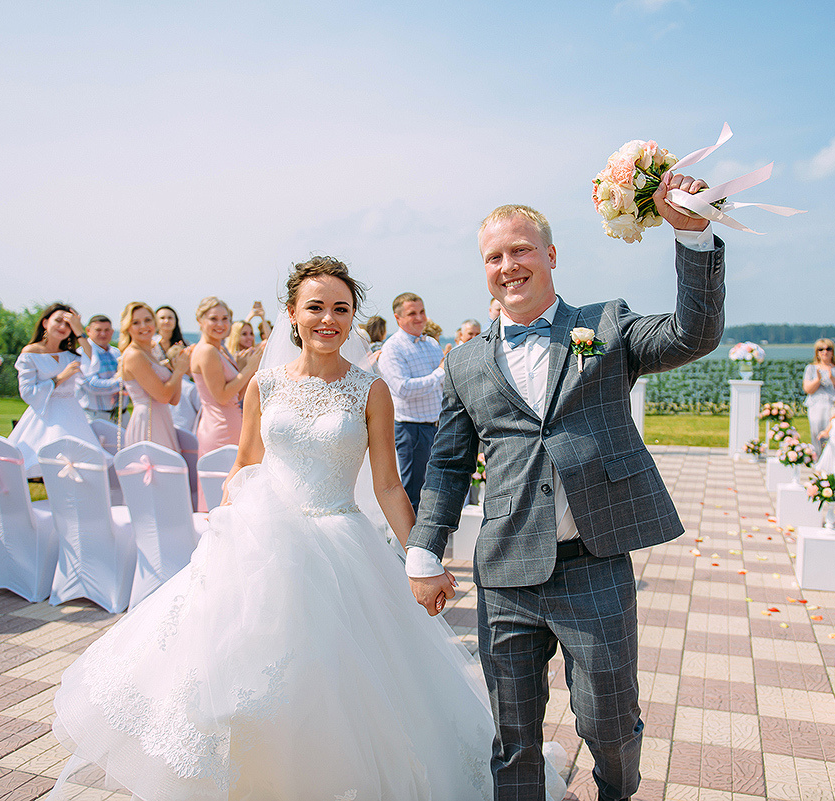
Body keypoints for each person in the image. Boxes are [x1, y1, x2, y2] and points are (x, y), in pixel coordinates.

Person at [48, 257, 567, 800]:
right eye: (315, 307)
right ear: (292, 315)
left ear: (352, 319)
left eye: (340, 309)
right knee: (239, 681)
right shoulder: (265, 386)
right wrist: (222, 527)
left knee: (344, 691)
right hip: (258, 545)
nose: (328, 319)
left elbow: (389, 485)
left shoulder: (371, 390)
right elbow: (246, 463)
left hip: (341, 545)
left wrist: (424, 557)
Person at [407, 171, 724, 801]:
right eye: (493, 257)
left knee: (608, 725)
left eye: (521, 250)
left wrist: (693, 238)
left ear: (550, 255)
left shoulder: (605, 324)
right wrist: (425, 547)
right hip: (505, 572)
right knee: (515, 736)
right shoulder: (465, 361)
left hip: (594, 565)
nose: (508, 266)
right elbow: (446, 465)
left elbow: (694, 335)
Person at [9, 304, 106, 475]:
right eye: (59, 321)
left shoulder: (71, 355)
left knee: (80, 468)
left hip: (73, 416)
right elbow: (27, 392)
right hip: (45, 417)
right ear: (45, 323)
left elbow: (93, 364)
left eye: (68, 324)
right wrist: (59, 378)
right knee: (52, 467)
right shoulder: (30, 353)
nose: (63, 327)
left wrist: (79, 331)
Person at [377, 291, 444, 512]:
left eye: (422, 311)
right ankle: (406, 545)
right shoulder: (392, 348)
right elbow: (402, 389)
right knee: (411, 494)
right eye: (412, 313)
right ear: (398, 318)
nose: (419, 318)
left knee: (436, 491)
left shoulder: (432, 344)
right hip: (411, 430)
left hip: (438, 427)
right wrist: (440, 373)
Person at [191, 297, 261, 458]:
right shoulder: (207, 351)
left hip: (231, 425)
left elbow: (236, 395)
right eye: (213, 319)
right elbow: (222, 396)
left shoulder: (219, 350)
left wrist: (251, 369)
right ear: (200, 321)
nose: (220, 324)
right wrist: (249, 367)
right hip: (220, 428)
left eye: (225, 319)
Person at [119, 302, 190, 452]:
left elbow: (173, 399)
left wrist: (177, 369)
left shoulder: (151, 352)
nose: (144, 326)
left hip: (162, 418)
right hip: (147, 422)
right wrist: (179, 371)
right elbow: (163, 396)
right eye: (136, 322)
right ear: (128, 327)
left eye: (147, 320)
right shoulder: (134, 355)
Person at [803, 338, 835, 456]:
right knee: (816, 432)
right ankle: (817, 458)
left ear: (832, 351)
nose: (825, 352)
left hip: (834, 405)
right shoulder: (811, 368)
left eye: (828, 349)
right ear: (817, 352)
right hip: (816, 405)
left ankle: (833, 460)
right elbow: (808, 389)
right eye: (821, 349)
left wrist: (832, 377)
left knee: (833, 432)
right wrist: (818, 380)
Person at [77, 314, 122, 423]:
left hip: (120, 414)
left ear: (112, 332)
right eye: (98, 330)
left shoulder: (116, 353)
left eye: (107, 330)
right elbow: (91, 385)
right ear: (88, 331)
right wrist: (122, 384)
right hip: (95, 416)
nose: (103, 334)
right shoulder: (82, 354)